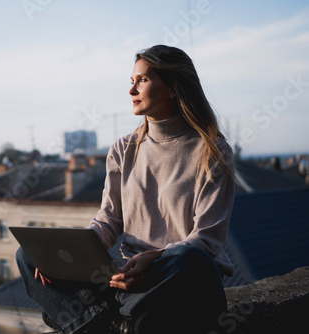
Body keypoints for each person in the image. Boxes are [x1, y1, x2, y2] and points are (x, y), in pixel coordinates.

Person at [16, 45, 235, 334]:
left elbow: (206, 239)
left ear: (172, 88)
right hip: (124, 278)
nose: (132, 91)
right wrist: (66, 255)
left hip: (173, 278)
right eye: (131, 81)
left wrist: (153, 257)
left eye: (142, 80)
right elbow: (108, 220)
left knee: (191, 261)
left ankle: (95, 318)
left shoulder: (212, 151)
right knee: (28, 255)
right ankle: (107, 323)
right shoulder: (123, 149)